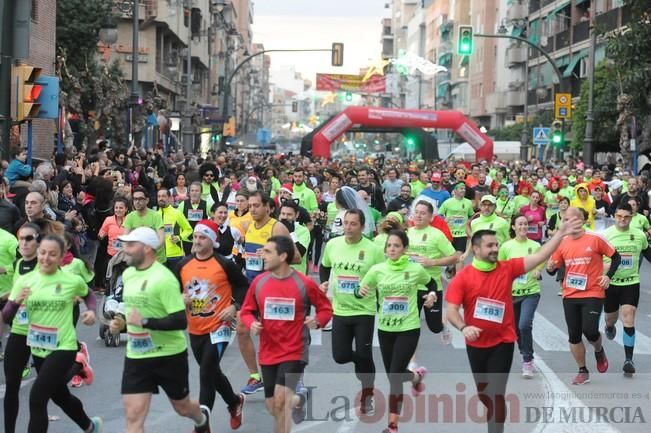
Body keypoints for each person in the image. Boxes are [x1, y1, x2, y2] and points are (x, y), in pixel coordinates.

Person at [446, 216, 582, 433]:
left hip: (503, 342)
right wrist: (464, 327)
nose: (495, 249)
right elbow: (451, 311)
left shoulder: (507, 268)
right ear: (476, 249)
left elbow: (540, 255)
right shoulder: (464, 278)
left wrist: (560, 233)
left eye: (496, 245)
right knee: (484, 396)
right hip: (476, 345)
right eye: (489, 245)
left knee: (496, 393)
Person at [110, 227, 212, 433]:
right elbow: (132, 309)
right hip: (137, 354)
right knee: (133, 415)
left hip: (168, 355)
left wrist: (145, 321)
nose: (125, 250)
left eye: (131, 245)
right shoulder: (128, 274)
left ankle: (201, 419)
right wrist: (120, 321)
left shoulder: (164, 279)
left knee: (182, 407)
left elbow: (180, 321)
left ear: (147, 249)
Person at [1, 234, 102, 433]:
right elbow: (6, 315)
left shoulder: (70, 280)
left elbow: (88, 293)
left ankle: (76, 361)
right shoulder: (26, 281)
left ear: (62, 256)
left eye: (52, 254)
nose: (46, 258)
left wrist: (91, 310)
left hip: (63, 347)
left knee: (37, 398)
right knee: (59, 395)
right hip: (38, 348)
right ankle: (90, 426)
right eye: (43, 253)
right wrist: (15, 302)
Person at [240, 236, 332, 433]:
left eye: (267, 252)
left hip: (295, 350)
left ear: (282, 256)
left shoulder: (304, 283)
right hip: (268, 351)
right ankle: (299, 399)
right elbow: (247, 310)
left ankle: (292, 400)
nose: (262, 255)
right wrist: (252, 323)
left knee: (281, 400)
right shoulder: (259, 282)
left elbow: (325, 308)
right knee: (273, 406)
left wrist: (317, 321)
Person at [359, 230, 437, 433]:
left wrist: (431, 296)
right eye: (389, 246)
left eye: (396, 245)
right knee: (394, 375)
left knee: (394, 376)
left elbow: (432, 284)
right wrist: (360, 291)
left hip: (408, 328)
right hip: (385, 329)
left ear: (404, 248)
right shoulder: (377, 270)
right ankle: (416, 377)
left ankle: (392, 426)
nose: (392, 249)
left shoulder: (414, 269)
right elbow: (360, 289)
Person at [176, 219, 249, 430]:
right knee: (213, 373)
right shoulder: (183, 265)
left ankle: (202, 426)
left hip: (220, 327)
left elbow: (244, 286)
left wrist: (234, 307)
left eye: (202, 237)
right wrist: (179, 296)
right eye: (196, 237)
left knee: (206, 373)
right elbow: (170, 290)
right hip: (195, 327)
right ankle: (234, 401)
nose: (197, 241)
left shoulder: (225, 264)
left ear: (213, 241)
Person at [320, 209, 385, 413]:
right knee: (340, 356)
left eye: (353, 224)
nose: (348, 227)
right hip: (340, 310)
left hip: (364, 311)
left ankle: (367, 394)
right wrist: (323, 281)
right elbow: (325, 266)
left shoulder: (373, 249)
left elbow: (383, 275)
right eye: (345, 223)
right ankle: (364, 362)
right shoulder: (333, 245)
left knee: (365, 354)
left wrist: (377, 294)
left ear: (362, 227)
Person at [547, 207, 621, 385]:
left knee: (590, 331)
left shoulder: (595, 239)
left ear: (581, 220)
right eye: (565, 220)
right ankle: (583, 370)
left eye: (572, 219)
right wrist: (550, 267)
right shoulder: (562, 242)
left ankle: (598, 349)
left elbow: (616, 257)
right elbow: (553, 268)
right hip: (570, 294)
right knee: (574, 335)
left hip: (593, 292)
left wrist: (607, 276)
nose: (568, 222)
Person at [240, 191, 299, 395]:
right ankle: (255, 376)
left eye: (256, 205)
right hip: (252, 287)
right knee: (241, 329)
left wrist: (270, 256)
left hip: (273, 287)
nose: (252, 209)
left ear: (268, 207)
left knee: (277, 335)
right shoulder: (247, 225)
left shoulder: (277, 227)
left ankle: (292, 378)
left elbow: (297, 257)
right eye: (250, 205)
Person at [602, 203, 649, 376]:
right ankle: (609, 326)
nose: (623, 220)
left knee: (629, 318)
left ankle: (628, 359)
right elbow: (597, 258)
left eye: (626, 217)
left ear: (632, 216)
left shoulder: (639, 235)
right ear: (614, 216)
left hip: (631, 282)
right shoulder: (606, 235)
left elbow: (648, 253)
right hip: (611, 284)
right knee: (611, 319)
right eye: (619, 216)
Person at [2, 223, 39, 433]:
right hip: (19, 330)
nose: (23, 243)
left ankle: (88, 426)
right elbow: (15, 293)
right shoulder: (17, 265)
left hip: (43, 332)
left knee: (53, 392)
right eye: (21, 239)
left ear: (38, 241)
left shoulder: (47, 265)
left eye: (28, 239)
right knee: (12, 385)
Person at [407, 200, 459, 343]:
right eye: (416, 212)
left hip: (431, 287)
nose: (418, 216)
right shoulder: (406, 233)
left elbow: (455, 257)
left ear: (431, 217)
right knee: (409, 325)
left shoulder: (437, 235)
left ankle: (443, 327)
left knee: (434, 327)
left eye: (423, 213)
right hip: (410, 287)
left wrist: (433, 262)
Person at [498, 215, 543, 378]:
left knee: (524, 325)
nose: (523, 227)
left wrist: (538, 269)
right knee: (516, 329)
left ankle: (527, 360)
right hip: (511, 294)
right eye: (520, 224)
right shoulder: (506, 247)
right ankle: (525, 351)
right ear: (513, 227)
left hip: (530, 292)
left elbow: (542, 259)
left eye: (525, 224)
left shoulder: (535, 245)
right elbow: (499, 266)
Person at [123, 186, 165, 263]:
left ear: (147, 200)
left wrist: (148, 251)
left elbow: (161, 239)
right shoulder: (129, 217)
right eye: (135, 199)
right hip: (138, 260)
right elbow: (125, 238)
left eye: (140, 199)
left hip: (157, 260)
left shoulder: (155, 216)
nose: (137, 202)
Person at [156, 188, 193, 270]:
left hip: (175, 255)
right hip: (160, 256)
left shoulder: (177, 213)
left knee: (176, 281)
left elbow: (189, 229)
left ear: (169, 198)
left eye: (163, 196)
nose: (160, 198)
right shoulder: (155, 215)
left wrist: (179, 237)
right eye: (158, 196)